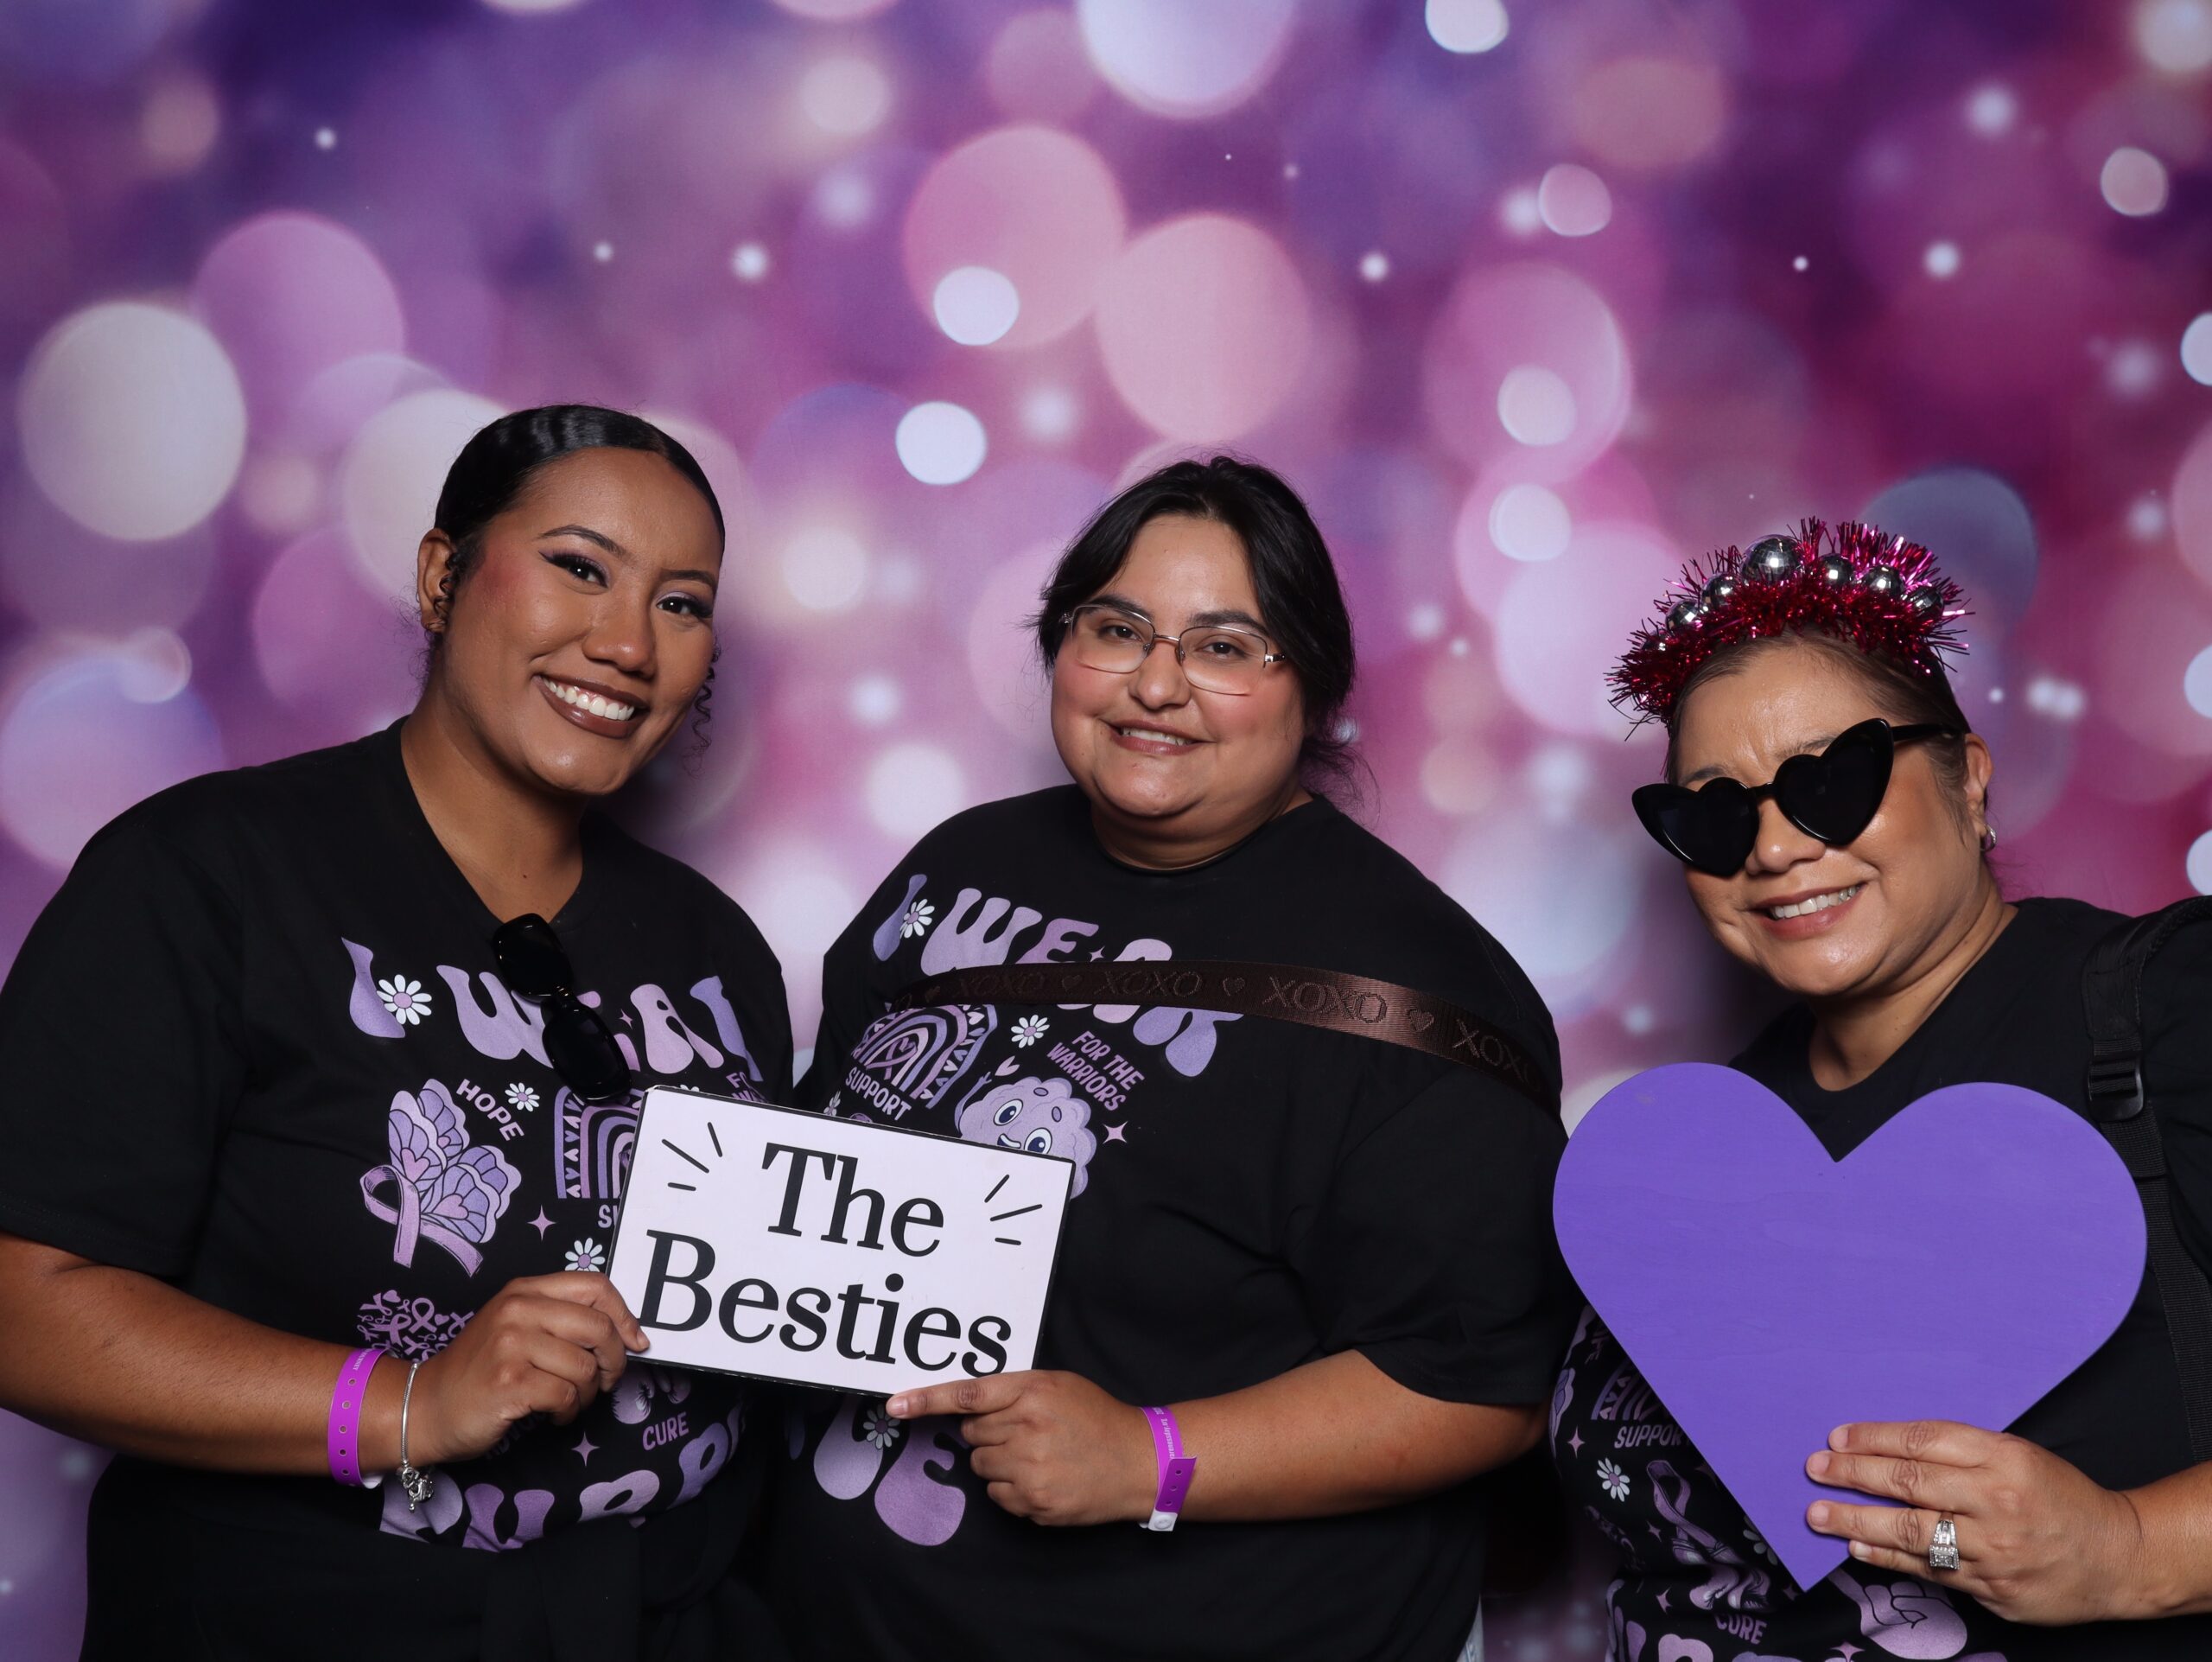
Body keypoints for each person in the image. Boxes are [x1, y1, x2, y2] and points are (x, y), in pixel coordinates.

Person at [0, 405, 792, 1659]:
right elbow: (22, 1304)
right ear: (441, 576)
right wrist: (408, 1403)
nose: (628, 642)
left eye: (681, 603)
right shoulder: (207, 875)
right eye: (579, 567)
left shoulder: (719, 949)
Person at [760, 456, 1576, 1661]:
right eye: (1116, 629)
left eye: (1224, 646)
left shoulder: (1420, 994)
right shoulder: (958, 867)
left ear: (1314, 685)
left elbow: (1485, 1388)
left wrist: (1151, 1458)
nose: (1155, 683)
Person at [1554, 519, 2212, 1660]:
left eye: (1830, 780)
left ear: (1971, 779)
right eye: (1715, 811)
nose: (1773, 850)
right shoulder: (1696, 1139)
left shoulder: (2170, 1007)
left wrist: (2133, 1550)